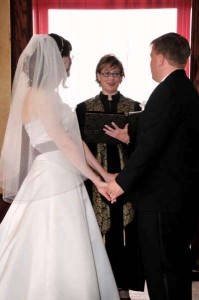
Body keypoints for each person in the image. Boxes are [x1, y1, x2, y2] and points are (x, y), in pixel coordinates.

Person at [0, 34, 120, 300]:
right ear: (57, 58)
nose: (70, 63)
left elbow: (76, 141)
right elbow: (64, 143)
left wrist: (103, 173)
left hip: (65, 173)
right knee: (53, 239)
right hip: (53, 175)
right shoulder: (38, 95)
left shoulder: (51, 95)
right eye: (69, 57)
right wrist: (95, 181)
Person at [105, 32, 199, 300]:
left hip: (162, 200)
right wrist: (131, 137)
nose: (149, 62)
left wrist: (119, 184)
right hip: (180, 199)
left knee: (162, 272)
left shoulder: (166, 92)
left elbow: (150, 151)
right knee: (176, 269)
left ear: (159, 58)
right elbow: (168, 143)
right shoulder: (185, 89)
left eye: (150, 57)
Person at [76, 54, 143, 299]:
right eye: (106, 73)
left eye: (116, 73)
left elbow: (144, 146)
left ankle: (123, 287)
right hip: (96, 179)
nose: (111, 78)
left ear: (122, 77)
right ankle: (99, 286)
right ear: (97, 76)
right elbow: (76, 146)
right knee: (99, 231)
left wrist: (129, 139)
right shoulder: (83, 108)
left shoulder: (134, 107)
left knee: (124, 231)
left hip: (126, 180)